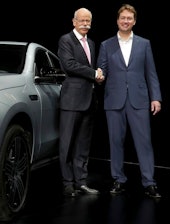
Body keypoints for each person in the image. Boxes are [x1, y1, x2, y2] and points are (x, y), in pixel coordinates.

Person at [97, 4, 162, 198]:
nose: (126, 21)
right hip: (114, 100)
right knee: (115, 142)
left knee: (144, 142)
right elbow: (102, 69)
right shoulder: (106, 45)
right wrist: (99, 76)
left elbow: (151, 73)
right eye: (123, 18)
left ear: (134, 21)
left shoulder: (144, 43)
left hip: (139, 100)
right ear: (117, 20)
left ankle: (149, 182)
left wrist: (156, 97)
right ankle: (118, 179)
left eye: (129, 18)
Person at [57, 7, 104, 197]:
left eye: (88, 21)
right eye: (82, 20)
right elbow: (69, 64)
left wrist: (97, 77)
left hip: (89, 100)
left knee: (83, 145)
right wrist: (94, 74)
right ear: (74, 21)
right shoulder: (66, 40)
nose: (85, 24)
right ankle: (68, 183)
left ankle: (81, 182)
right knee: (67, 144)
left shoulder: (91, 43)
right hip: (71, 100)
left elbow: (89, 68)